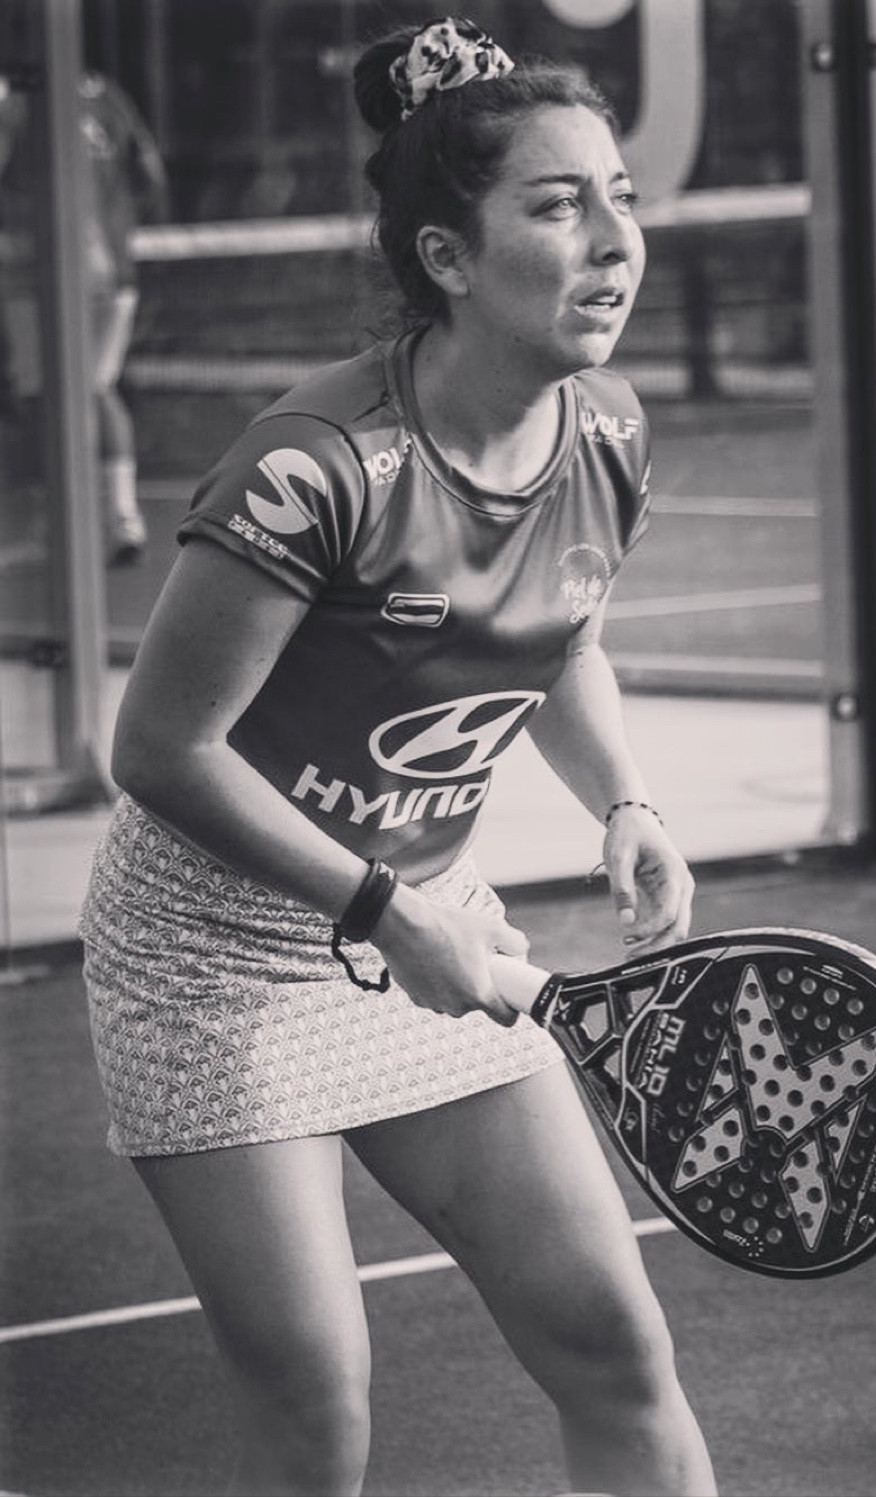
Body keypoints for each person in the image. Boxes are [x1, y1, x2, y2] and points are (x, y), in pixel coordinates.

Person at [80, 16, 718, 1497]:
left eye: (621, 196)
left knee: (615, 1345)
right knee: (316, 1401)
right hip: (214, 954)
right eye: (557, 206)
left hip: (425, 917)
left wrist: (623, 800)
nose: (614, 238)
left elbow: (558, 630)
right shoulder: (313, 468)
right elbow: (161, 749)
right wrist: (381, 910)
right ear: (447, 256)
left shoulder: (608, 434)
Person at [0, 70, 167, 565]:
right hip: (112, 270)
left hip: (40, 275)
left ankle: (54, 524)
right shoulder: (107, 95)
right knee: (97, 389)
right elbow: (149, 175)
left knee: (43, 395)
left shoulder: (15, 101)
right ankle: (120, 518)